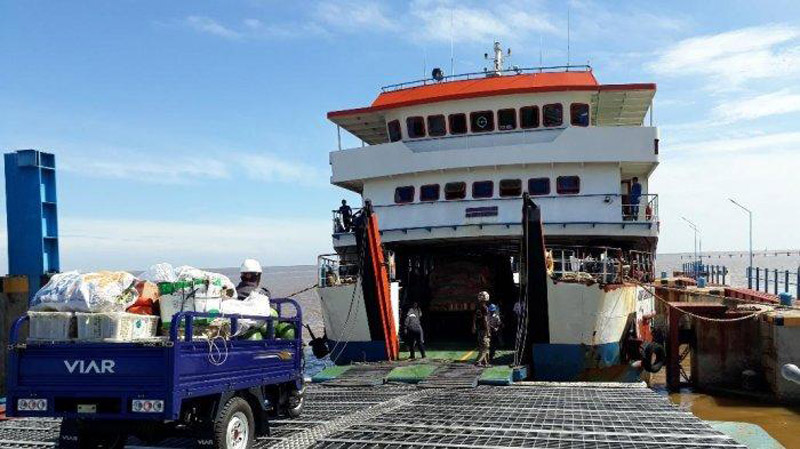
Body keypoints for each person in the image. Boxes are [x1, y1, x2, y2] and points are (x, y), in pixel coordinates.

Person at [472, 291, 491, 367]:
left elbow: (474, 317)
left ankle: (485, 363)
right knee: (486, 347)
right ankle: (478, 361)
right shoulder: (485, 308)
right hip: (483, 329)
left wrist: (473, 326)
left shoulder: (477, 307)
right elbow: (485, 320)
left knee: (482, 347)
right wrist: (488, 331)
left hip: (479, 329)